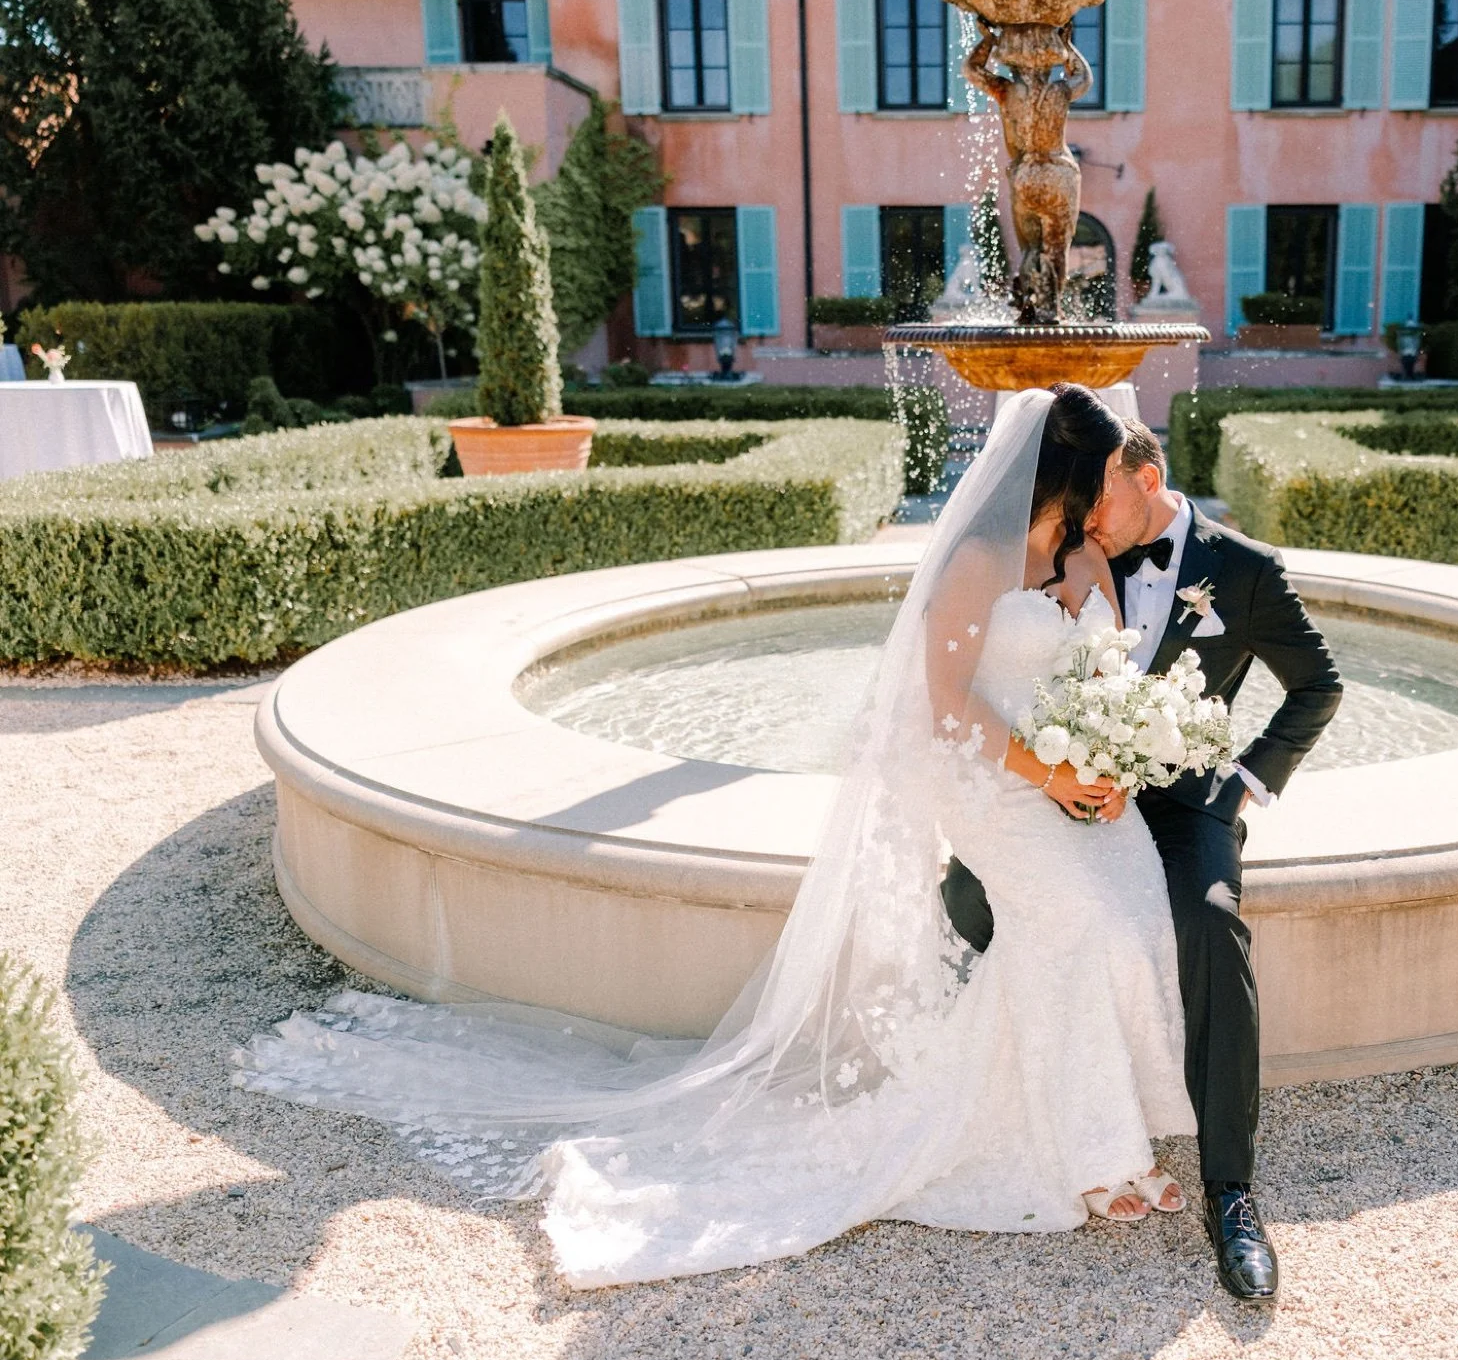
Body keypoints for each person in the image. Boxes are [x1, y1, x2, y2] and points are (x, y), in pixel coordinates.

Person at [233, 386, 1206, 1288]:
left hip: (1067, 778)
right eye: (1091, 484)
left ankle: (1120, 1112)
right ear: (1057, 476)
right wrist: (1051, 770)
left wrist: (1109, 760)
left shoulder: (1085, 555)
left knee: (1129, 904)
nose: (1100, 505)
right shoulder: (977, 560)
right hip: (986, 781)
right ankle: (1090, 1147)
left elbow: (1106, 670)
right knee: (1071, 916)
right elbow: (945, 705)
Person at [944, 415, 1343, 1302]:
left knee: (1208, 922)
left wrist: (1243, 788)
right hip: (1068, 783)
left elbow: (1320, 683)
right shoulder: (1083, 546)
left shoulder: (1243, 570)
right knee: (970, 890)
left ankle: (1230, 1190)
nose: (1091, 513)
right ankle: (1023, 1088)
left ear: (1148, 475)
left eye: (1105, 495)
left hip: (1189, 799)